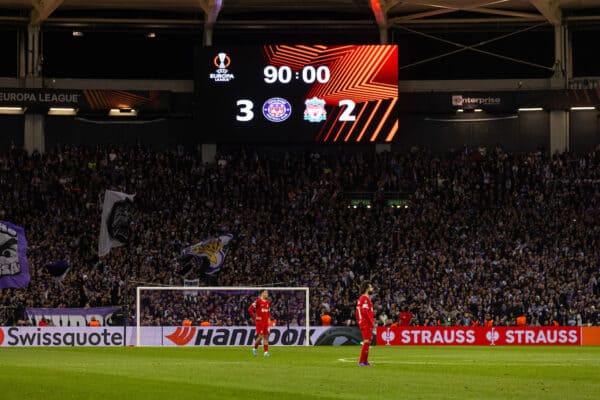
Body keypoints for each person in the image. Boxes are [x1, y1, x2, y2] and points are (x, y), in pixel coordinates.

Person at [355, 281, 375, 367]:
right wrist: (370, 322)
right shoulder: (365, 298)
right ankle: (361, 362)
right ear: (367, 288)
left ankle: (365, 361)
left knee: (368, 341)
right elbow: (364, 311)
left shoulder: (362, 298)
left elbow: (357, 312)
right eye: (371, 287)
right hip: (366, 322)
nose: (372, 289)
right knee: (366, 341)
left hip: (364, 322)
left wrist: (359, 320)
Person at [248, 289, 271, 357]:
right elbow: (250, 309)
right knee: (260, 337)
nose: (267, 294)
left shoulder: (267, 302)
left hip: (266, 322)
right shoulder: (258, 301)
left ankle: (266, 352)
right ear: (262, 293)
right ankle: (254, 349)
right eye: (265, 293)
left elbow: (268, 312)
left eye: (267, 293)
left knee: (266, 337)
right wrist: (255, 317)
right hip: (260, 322)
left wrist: (269, 319)